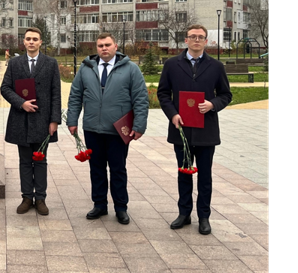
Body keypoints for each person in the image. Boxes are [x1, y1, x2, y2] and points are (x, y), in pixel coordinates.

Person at [157, 24, 232, 235]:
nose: (197, 40)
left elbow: (226, 95)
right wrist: (173, 114)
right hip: (181, 130)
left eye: (201, 37)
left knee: (205, 176)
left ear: (206, 41)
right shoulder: (172, 64)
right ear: (186, 40)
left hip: (206, 130)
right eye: (193, 36)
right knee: (184, 174)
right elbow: (163, 94)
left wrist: (212, 104)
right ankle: (184, 214)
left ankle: (204, 217)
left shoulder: (216, 66)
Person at [66, 33, 148, 224]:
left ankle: (121, 207)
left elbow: (141, 98)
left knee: (118, 169)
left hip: (118, 130)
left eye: (107, 45)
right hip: (92, 128)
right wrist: (72, 120)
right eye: (100, 45)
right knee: (96, 168)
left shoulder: (130, 69)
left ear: (115, 46)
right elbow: (75, 95)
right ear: (96, 48)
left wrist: (139, 126)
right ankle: (100, 205)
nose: (104, 48)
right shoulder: (86, 69)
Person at [0, 27, 61, 215]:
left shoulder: (51, 63)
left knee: (41, 160)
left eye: (35, 39)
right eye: (28, 39)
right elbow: (5, 88)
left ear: (41, 42)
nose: (32, 42)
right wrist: (21, 103)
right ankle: (27, 197)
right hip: (22, 120)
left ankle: (40, 198)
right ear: (24, 42)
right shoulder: (15, 63)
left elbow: (55, 94)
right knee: (25, 161)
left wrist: (54, 121)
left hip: (43, 120)